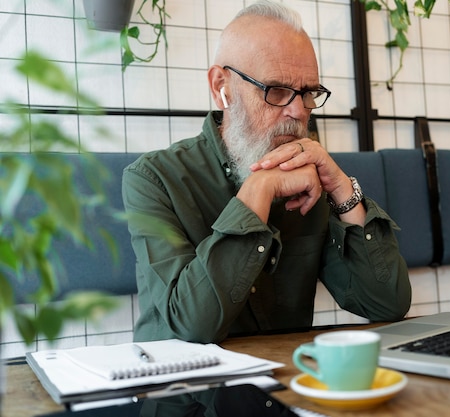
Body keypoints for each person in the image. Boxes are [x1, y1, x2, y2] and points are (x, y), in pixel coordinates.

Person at [122, 0, 411, 346]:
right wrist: (257, 192)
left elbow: (386, 304)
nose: (297, 112)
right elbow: (192, 326)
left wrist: (342, 191)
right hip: (182, 391)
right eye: (276, 90)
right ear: (221, 87)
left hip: (286, 381)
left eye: (308, 93)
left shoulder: (311, 180)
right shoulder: (153, 179)